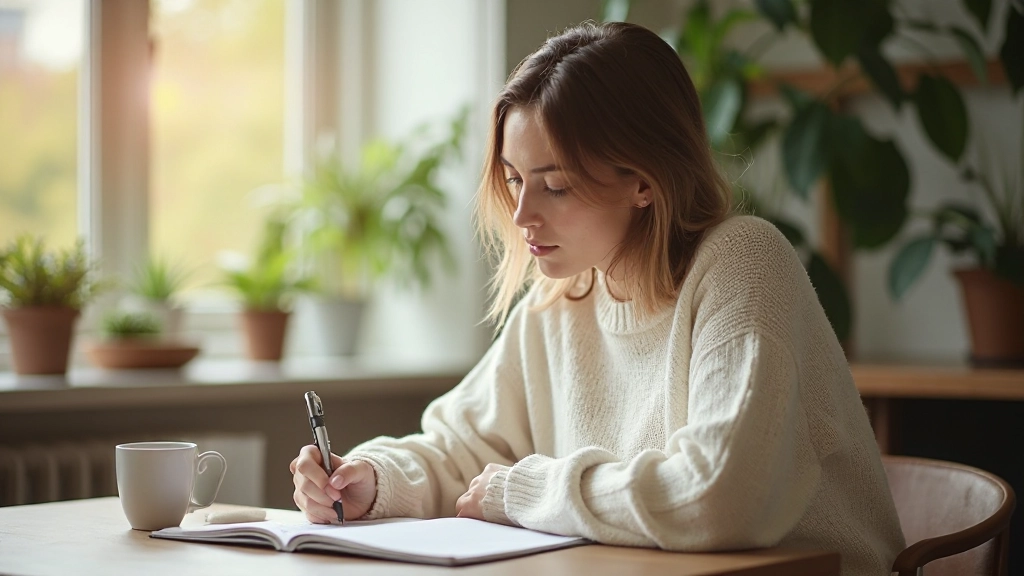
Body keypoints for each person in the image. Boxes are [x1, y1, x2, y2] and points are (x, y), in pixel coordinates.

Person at [290, 21, 905, 575]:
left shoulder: (742, 261)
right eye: (513, 179)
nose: (523, 214)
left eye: (554, 186)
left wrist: (525, 493)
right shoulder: (563, 296)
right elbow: (462, 451)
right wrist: (370, 479)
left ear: (643, 180)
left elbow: (718, 495)